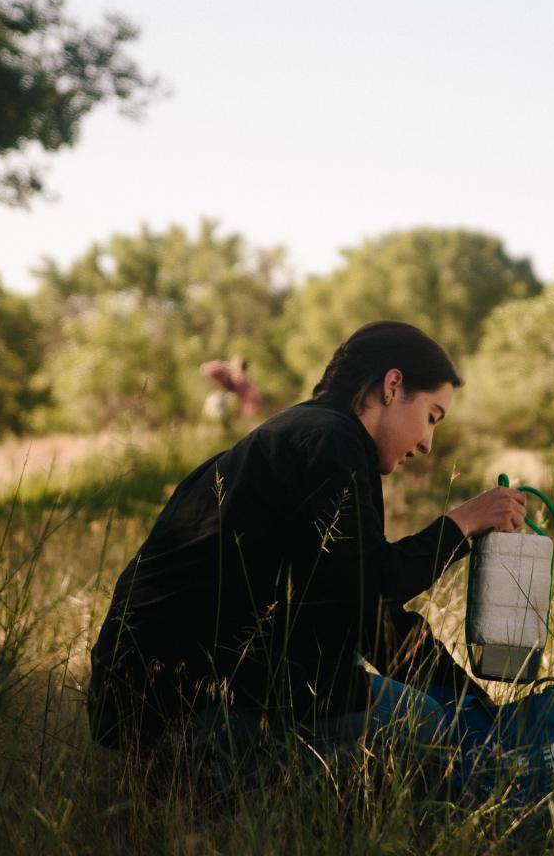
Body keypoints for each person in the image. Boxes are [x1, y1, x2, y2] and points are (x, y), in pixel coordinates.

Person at [88, 320, 525, 752]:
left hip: (146, 701)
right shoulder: (329, 443)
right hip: (176, 706)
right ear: (392, 386)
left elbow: (368, 614)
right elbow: (370, 584)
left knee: (369, 675)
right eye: (431, 417)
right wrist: (463, 522)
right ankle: (224, 789)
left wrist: (473, 705)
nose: (429, 443)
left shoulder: (308, 433)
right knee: (424, 721)